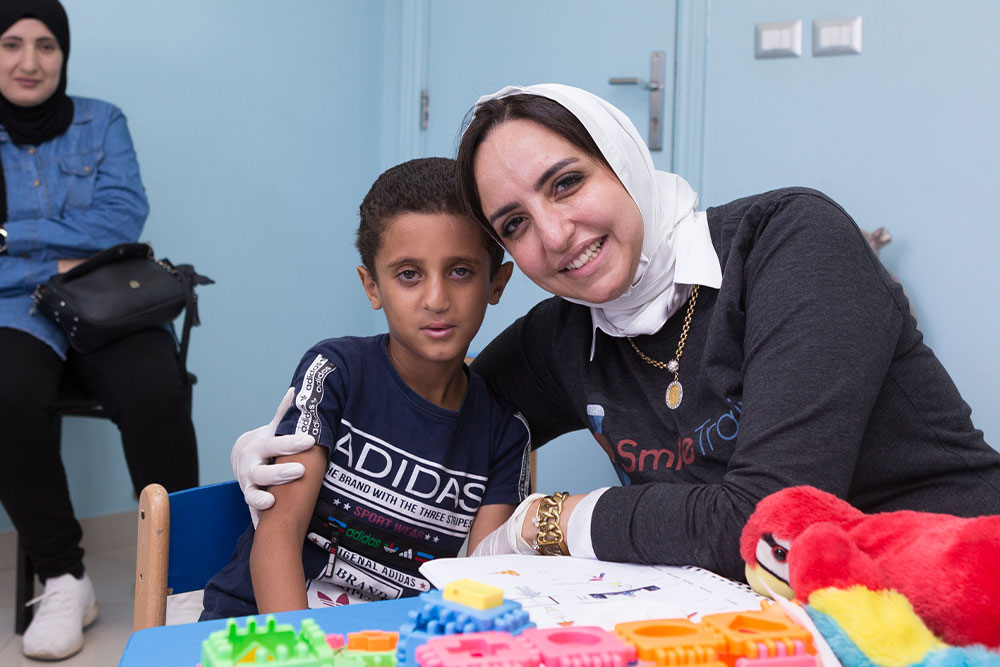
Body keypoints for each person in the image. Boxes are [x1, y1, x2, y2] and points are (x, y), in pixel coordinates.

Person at [234, 84, 1000, 583]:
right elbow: (433, 407)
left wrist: (553, 519)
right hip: (761, 610)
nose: (556, 234)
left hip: (947, 578)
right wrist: (291, 434)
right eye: (515, 224)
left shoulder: (791, 243)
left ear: (625, 160)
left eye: (567, 182)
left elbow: (767, 517)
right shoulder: (565, 335)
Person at [201, 157, 529, 619]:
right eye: (408, 274)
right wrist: (302, 654)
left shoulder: (505, 432)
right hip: (270, 629)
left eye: (460, 271)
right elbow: (279, 539)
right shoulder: (335, 372)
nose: (436, 299)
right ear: (372, 286)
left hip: (399, 644)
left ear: (496, 282)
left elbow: (479, 588)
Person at [0, 0, 197, 659]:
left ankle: (183, 579)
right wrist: (53, 255)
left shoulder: (102, 121)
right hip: (12, 312)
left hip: (105, 300)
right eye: (11, 44)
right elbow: (91, 231)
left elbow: (121, 219)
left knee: (156, 388)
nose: (30, 62)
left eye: (46, 46)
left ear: (64, 52)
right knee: (5, 391)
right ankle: (63, 578)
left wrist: (9, 242)